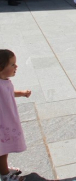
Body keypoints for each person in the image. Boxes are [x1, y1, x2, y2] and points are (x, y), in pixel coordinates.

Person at [0, 49, 31, 181]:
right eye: (12, 64)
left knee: (3, 149)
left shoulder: (5, 80)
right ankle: (5, 175)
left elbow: (9, 93)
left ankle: (3, 168)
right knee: (2, 150)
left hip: (7, 120)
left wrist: (22, 93)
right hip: (2, 122)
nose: (16, 66)